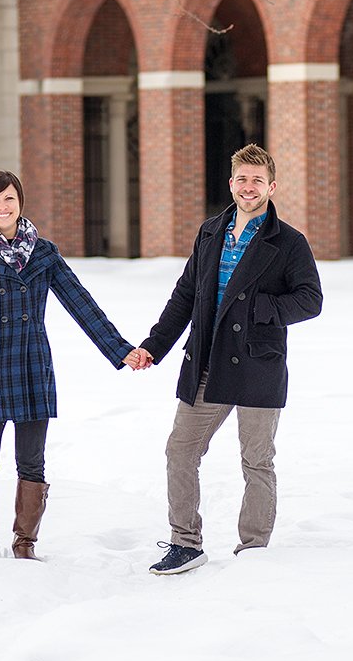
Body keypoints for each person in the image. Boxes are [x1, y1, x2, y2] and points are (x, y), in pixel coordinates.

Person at [125, 144, 323, 575]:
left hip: (258, 363)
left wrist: (260, 309)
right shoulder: (211, 231)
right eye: (241, 179)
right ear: (230, 183)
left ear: (271, 186)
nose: (248, 187)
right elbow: (184, 296)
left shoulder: (288, 242)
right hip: (208, 361)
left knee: (256, 459)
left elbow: (310, 300)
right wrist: (153, 346)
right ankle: (185, 543)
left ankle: (253, 548)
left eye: (257, 180)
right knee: (180, 450)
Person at [0, 170, 143, 560]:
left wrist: (120, 349)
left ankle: (25, 545)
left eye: (9, 199)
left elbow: (80, 303)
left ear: (20, 202)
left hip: (32, 368)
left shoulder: (43, 252)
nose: (3, 207)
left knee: (31, 463)